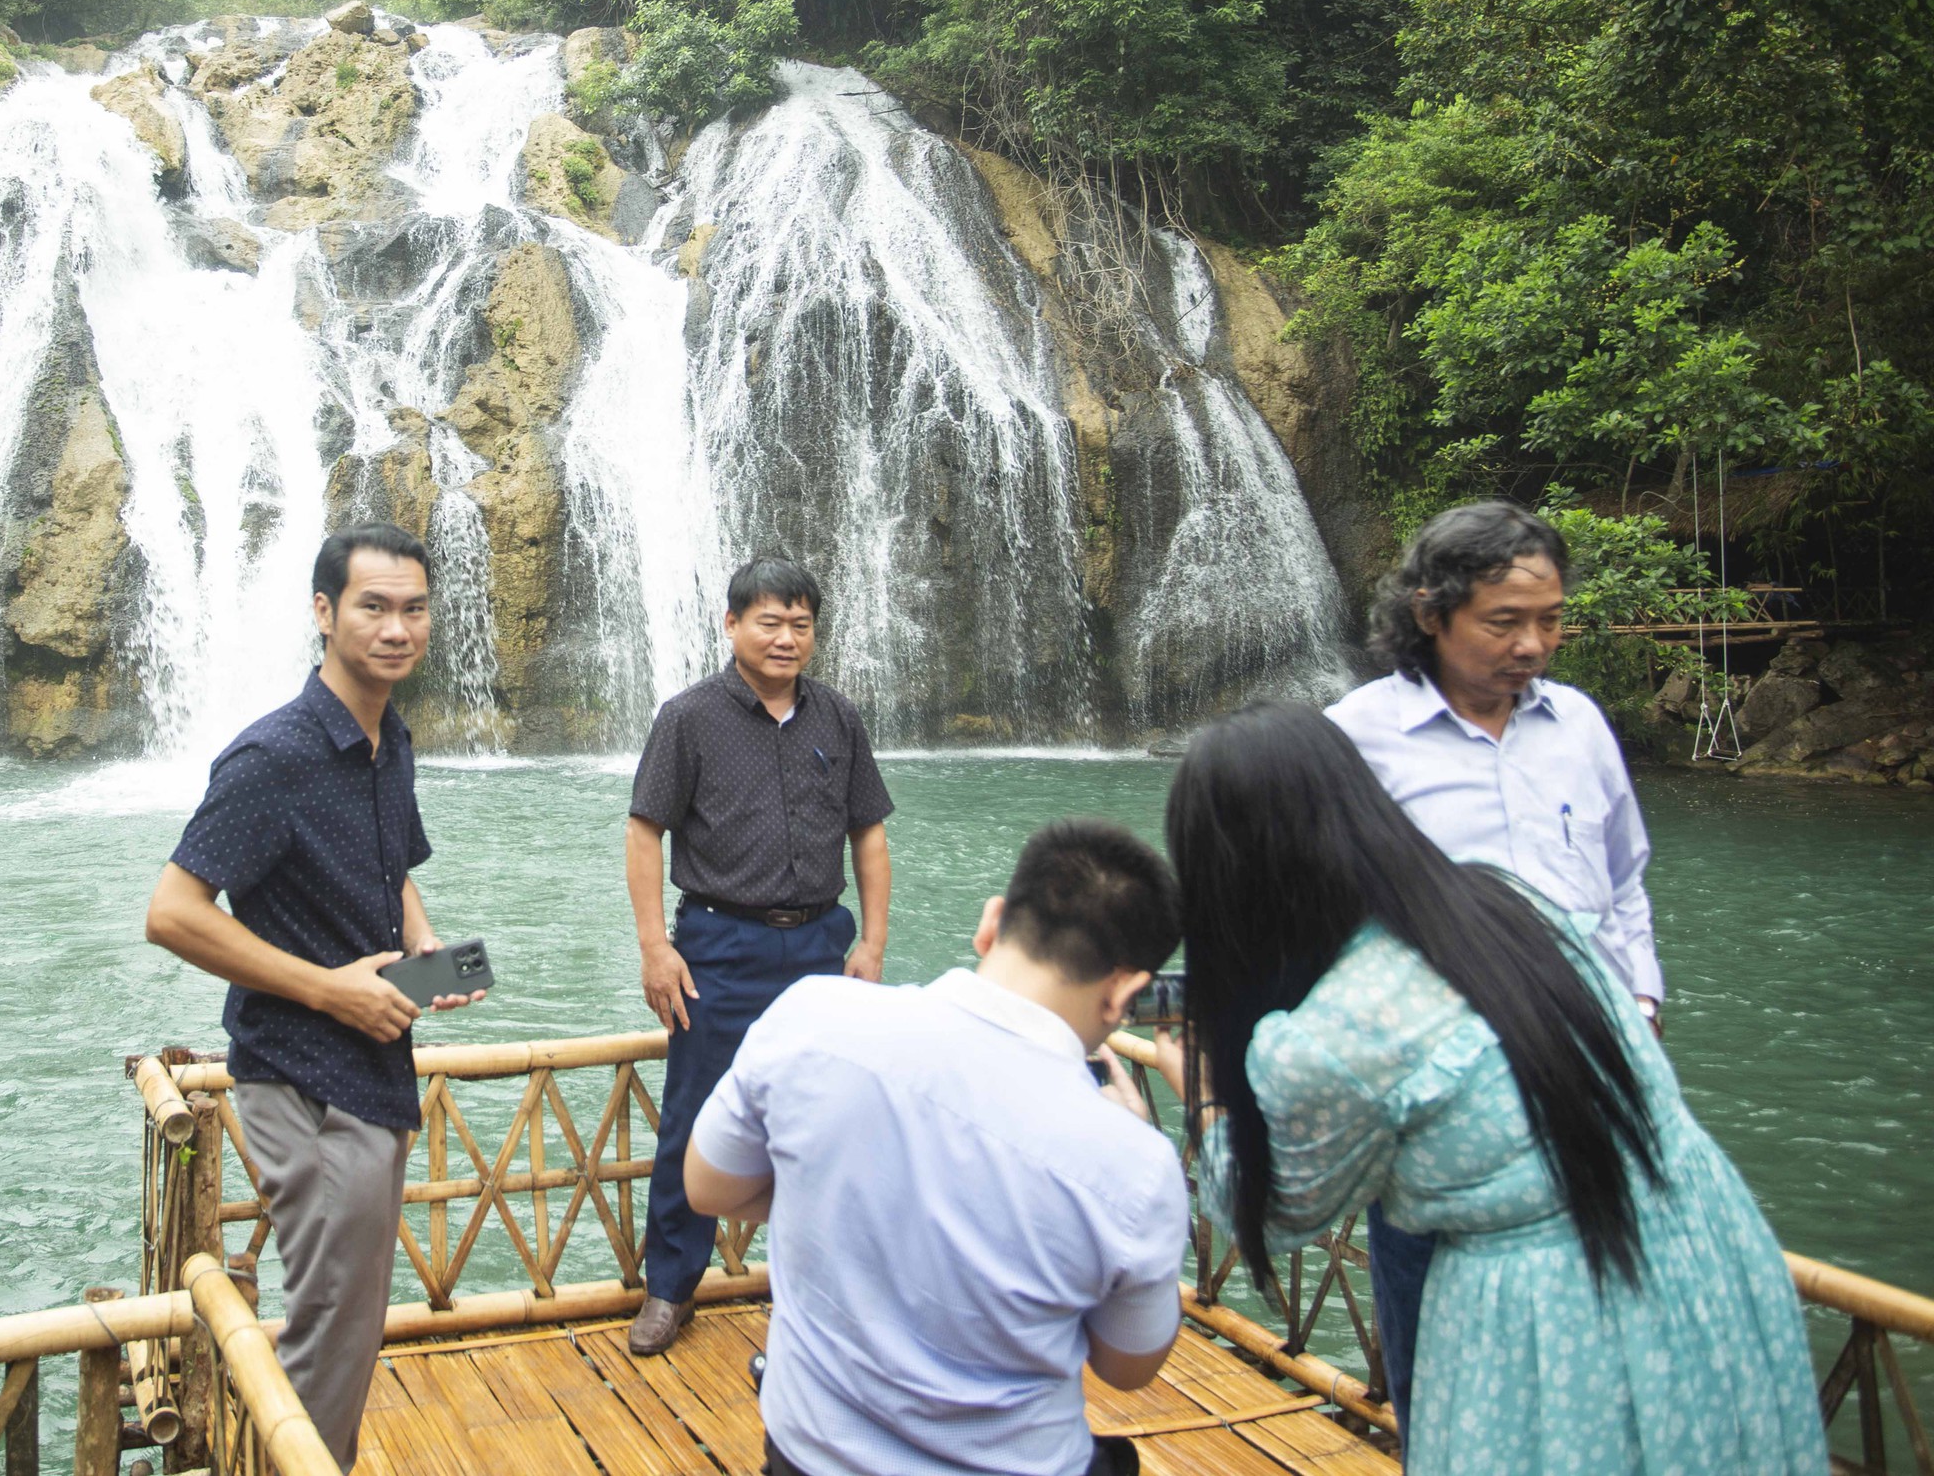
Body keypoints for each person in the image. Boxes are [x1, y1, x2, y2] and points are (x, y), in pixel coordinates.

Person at [1155, 702, 1824, 1476]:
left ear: (1230, 875)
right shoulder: (1500, 897)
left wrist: (1203, 1095)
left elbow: (1271, 1215)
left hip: (1551, 1318)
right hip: (1707, 1252)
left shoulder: (1330, 1036)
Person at [684, 819, 1190, 1476]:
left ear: (992, 922)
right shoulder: (1133, 1161)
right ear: (1125, 992)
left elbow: (708, 1186)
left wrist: (847, 1190)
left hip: (806, 1456)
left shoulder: (809, 1017)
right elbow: (1127, 1365)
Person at [143, 524, 483, 1473]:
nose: (396, 627)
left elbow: (397, 869)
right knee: (336, 1325)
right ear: (325, 612)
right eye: (373, 606)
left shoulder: (388, 736)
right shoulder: (275, 758)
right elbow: (171, 912)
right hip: (304, 1080)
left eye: (413, 608)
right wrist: (332, 993)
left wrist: (422, 945)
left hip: (372, 1066)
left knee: (349, 1318)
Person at [1324, 499, 1664, 1440]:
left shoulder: (1582, 725)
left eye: (1549, 620)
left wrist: (1642, 995)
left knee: (1598, 1361)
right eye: (1504, 622)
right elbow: (1320, 914)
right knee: (1435, 1355)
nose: (1532, 645)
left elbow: (1627, 879)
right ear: (1430, 613)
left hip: (1595, 1081)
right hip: (1440, 1100)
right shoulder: (1356, 735)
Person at [624, 556, 894, 1355]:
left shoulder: (838, 718)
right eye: (769, 621)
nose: (785, 637)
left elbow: (869, 835)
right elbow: (645, 829)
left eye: (800, 623)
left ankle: (820, 1293)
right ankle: (671, 1289)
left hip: (820, 942)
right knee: (693, 1120)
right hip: (717, 944)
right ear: (733, 625)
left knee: (831, 1120)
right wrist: (655, 947)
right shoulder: (688, 716)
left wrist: (872, 942)